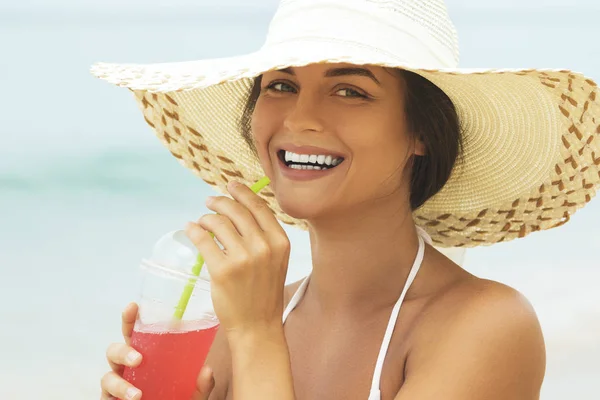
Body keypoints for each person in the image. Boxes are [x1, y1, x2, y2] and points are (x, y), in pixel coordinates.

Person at [93, 0, 599, 399]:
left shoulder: (486, 326)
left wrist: (257, 336)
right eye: (282, 85)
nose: (297, 119)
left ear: (420, 132)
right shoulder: (230, 323)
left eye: (350, 90)